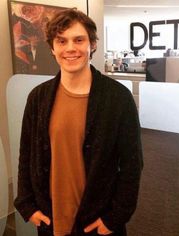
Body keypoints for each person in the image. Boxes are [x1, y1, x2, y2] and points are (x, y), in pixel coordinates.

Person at [14, 8, 143, 236]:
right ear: (53, 48)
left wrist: (115, 217)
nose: (70, 48)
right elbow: (26, 154)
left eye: (79, 39)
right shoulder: (38, 98)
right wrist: (26, 204)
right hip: (50, 218)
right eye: (61, 41)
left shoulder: (118, 98)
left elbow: (132, 165)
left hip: (97, 220)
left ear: (92, 44)